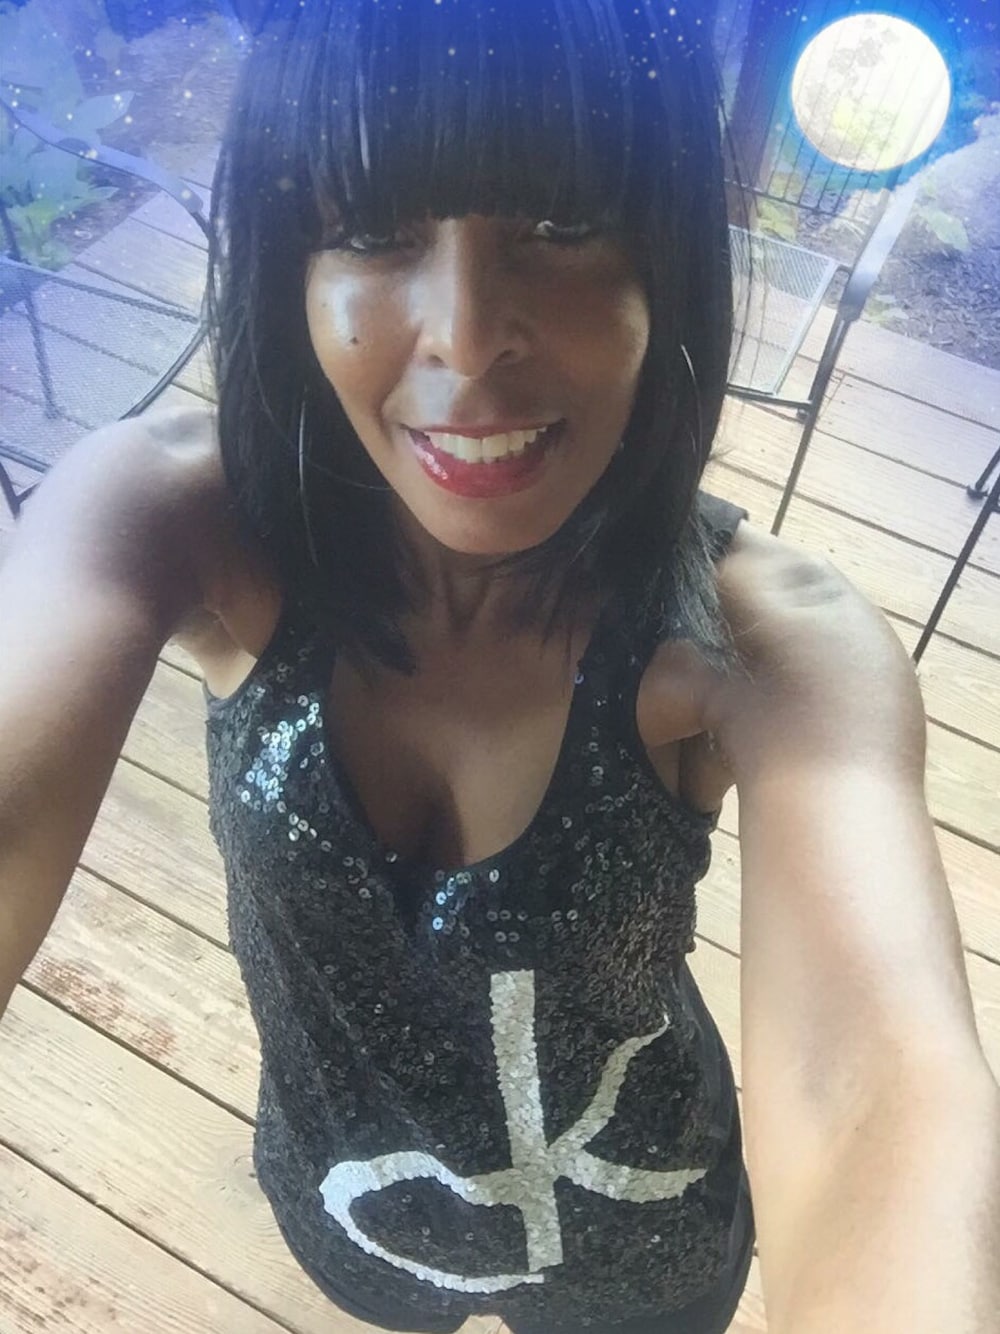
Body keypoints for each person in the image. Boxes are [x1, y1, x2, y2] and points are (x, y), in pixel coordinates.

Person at [1, 2, 997, 1331]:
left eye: (563, 221)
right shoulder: (178, 522)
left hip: (645, 1241)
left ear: (667, 260)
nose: (467, 338)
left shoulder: (763, 641)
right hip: (359, 1222)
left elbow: (873, 1089)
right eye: (373, 227)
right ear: (292, 260)